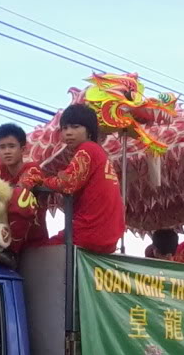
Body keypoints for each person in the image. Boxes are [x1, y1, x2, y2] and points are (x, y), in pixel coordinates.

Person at [23, 104, 124, 254]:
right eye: (64, 128)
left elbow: (67, 183)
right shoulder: (99, 153)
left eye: (75, 127)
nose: (68, 133)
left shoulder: (87, 149)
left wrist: (40, 181)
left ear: (89, 130)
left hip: (90, 232)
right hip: (108, 235)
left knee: (37, 252)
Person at [0, 123, 48, 252]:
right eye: (2, 147)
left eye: (12, 146)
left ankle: (11, 251)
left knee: (21, 196)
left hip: (33, 241)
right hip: (0, 236)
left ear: (23, 149)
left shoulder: (33, 168)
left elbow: (23, 186)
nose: (7, 151)